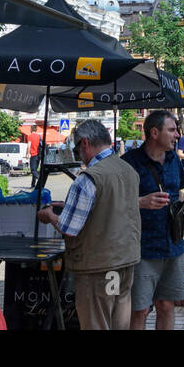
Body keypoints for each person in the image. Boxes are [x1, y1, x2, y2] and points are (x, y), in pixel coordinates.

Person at [37, 119, 140, 330]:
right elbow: (111, 207)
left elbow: (69, 228)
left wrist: (49, 215)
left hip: (97, 267)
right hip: (124, 262)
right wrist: (69, 205)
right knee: (118, 323)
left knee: (96, 323)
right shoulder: (128, 169)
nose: (78, 155)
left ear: (85, 143)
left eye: (76, 149)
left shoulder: (88, 178)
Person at [122, 109, 184, 330]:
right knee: (139, 310)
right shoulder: (129, 163)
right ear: (154, 133)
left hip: (172, 245)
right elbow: (112, 204)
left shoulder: (174, 160)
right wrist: (140, 202)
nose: (177, 135)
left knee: (167, 305)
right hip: (142, 248)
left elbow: (179, 198)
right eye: (172, 130)